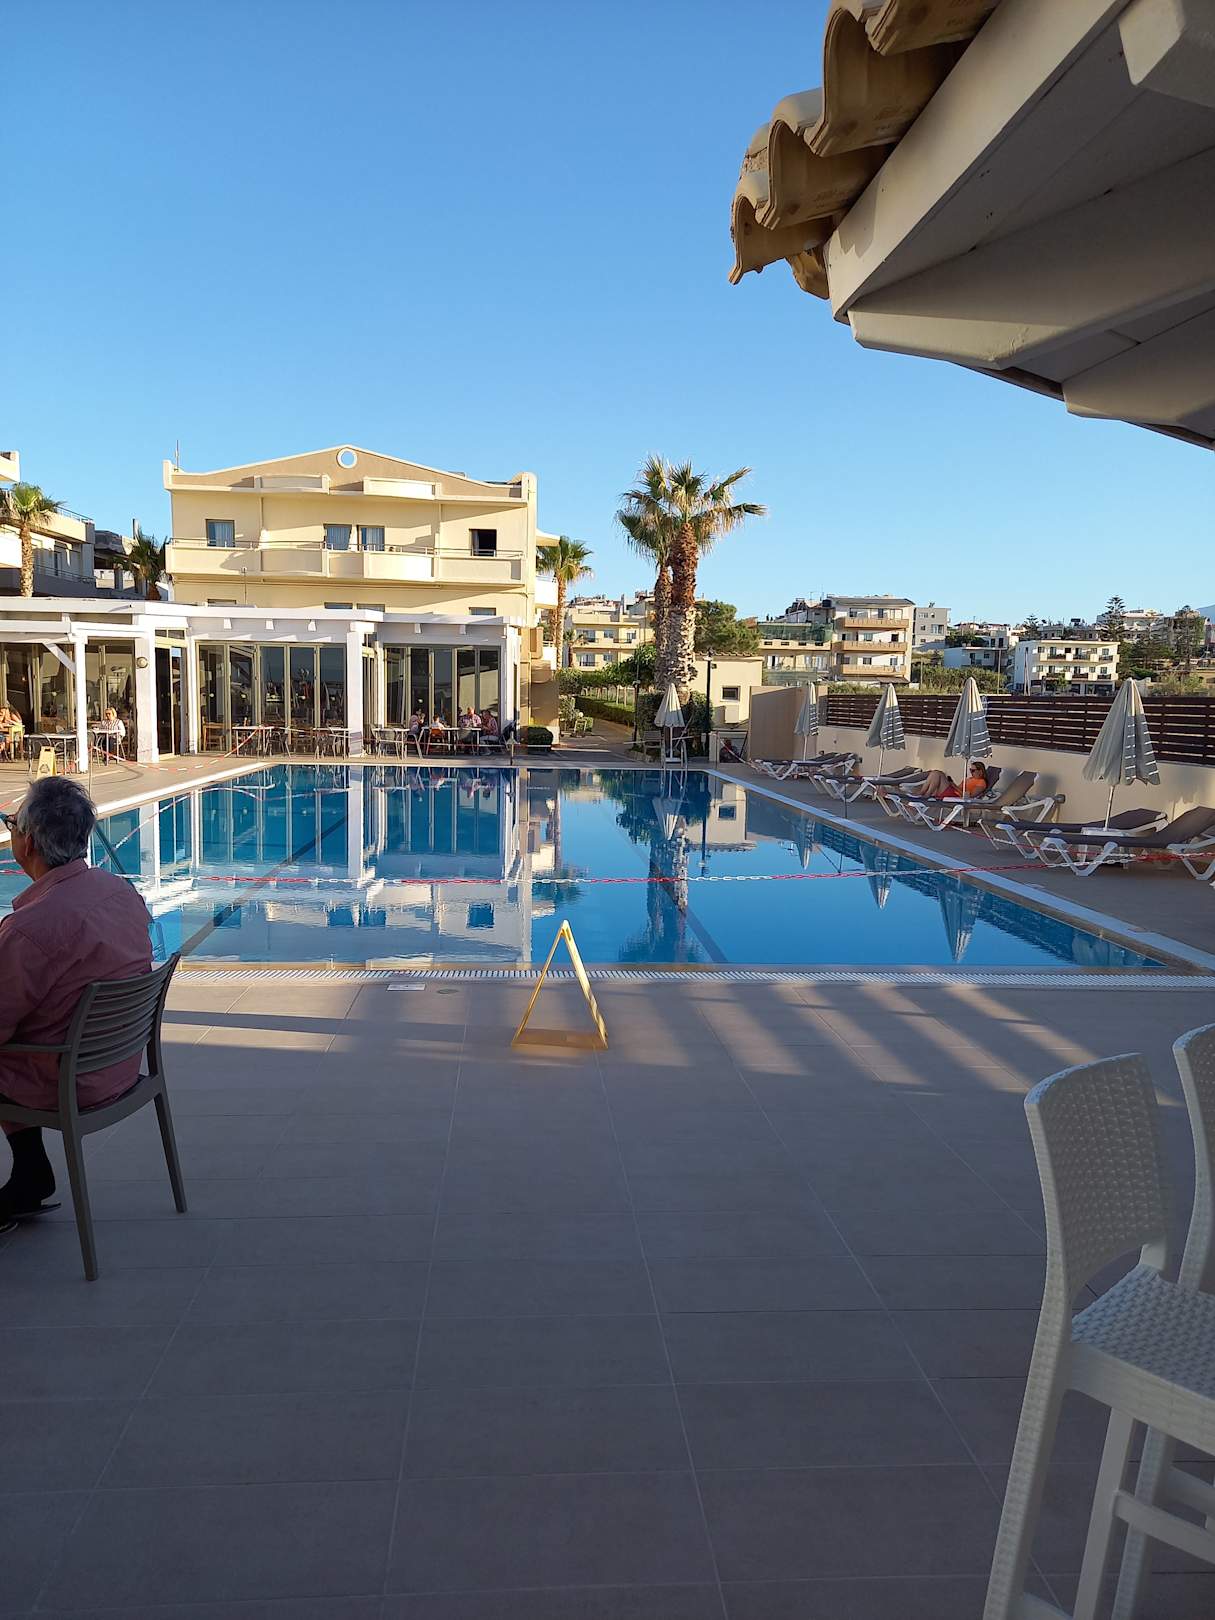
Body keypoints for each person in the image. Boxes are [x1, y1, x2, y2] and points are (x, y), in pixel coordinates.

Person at [0, 778, 152, 1220]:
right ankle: (30, 1171)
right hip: (116, 1064)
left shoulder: (30, 929)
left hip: (68, 1080)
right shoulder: (119, 892)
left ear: (28, 842)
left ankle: (29, 1171)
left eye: (12, 824)